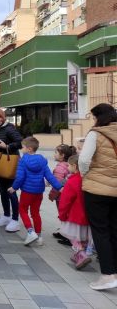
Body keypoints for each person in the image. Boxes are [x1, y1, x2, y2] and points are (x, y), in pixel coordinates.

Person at [79, 103, 117, 290]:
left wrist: (85, 175)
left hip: (97, 190)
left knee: (100, 231)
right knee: (114, 230)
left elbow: (84, 160)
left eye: (94, 117)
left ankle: (108, 275)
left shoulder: (96, 134)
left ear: (99, 117)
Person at [8, 137, 62, 246]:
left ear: (29, 149)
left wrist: (14, 187)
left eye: (22, 147)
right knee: (35, 213)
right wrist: (59, 187)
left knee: (22, 209)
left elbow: (20, 177)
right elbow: (50, 176)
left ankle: (30, 232)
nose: (21, 149)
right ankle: (39, 237)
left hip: (27, 192)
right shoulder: (42, 161)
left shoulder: (23, 161)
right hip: (38, 192)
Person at [0, 108, 23, 233]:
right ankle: (6, 216)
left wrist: (7, 146)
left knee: (11, 192)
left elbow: (20, 143)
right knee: (3, 191)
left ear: (1, 118)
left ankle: (15, 220)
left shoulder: (9, 128)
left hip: (10, 163)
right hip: (0, 163)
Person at [58, 154, 92, 270]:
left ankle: (81, 254)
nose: (67, 167)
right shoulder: (88, 179)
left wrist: (62, 214)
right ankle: (79, 254)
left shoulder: (72, 181)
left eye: (68, 165)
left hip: (74, 215)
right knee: (85, 237)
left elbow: (65, 201)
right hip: (88, 216)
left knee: (74, 237)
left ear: (74, 166)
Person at [49, 144, 77, 245]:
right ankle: (65, 232)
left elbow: (57, 183)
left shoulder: (60, 167)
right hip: (64, 195)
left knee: (64, 215)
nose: (54, 154)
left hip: (60, 196)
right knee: (66, 215)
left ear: (62, 155)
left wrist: (52, 193)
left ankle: (69, 237)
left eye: (56, 152)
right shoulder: (67, 165)